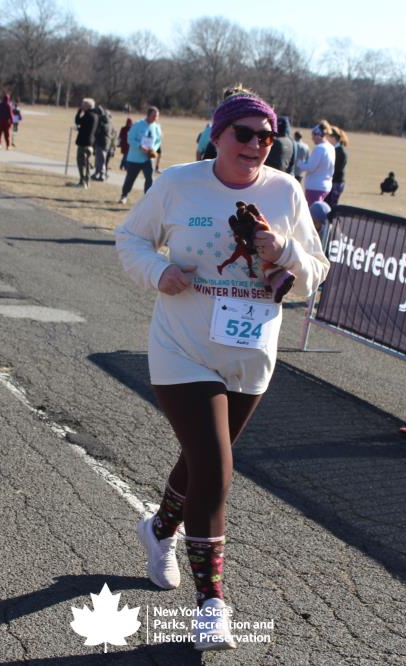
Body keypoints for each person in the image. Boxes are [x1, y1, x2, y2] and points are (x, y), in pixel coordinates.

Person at [115, 90, 329, 651]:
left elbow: (315, 272)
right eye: (245, 134)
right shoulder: (179, 184)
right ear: (218, 135)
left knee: (201, 460)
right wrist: (157, 272)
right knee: (214, 465)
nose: (257, 145)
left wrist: (285, 252)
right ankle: (211, 605)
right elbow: (131, 237)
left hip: (250, 355)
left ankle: (158, 530)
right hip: (182, 348)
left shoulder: (285, 191)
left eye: (267, 137)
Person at [118, 106, 162, 204]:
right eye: (154, 116)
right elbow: (130, 139)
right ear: (148, 115)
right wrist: (140, 146)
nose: (156, 118)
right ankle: (124, 195)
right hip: (135, 158)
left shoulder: (156, 127)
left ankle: (148, 199)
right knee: (130, 178)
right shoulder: (138, 125)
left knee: (149, 178)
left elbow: (158, 141)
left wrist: (153, 149)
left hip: (148, 159)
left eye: (157, 116)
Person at [296, 123, 335, 208]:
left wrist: (299, 163)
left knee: (312, 212)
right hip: (325, 186)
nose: (312, 138)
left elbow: (310, 167)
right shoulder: (331, 147)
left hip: (315, 187)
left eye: (313, 135)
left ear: (319, 135)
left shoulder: (319, 148)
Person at [73, 98, 98, 188]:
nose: (82, 106)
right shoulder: (95, 115)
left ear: (88, 106)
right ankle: (86, 181)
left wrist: (79, 112)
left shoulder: (88, 115)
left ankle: (82, 182)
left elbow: (77, 121)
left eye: (83, 105)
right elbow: (87, 128)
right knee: (86, 163)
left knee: (81, 162)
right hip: (90, 143)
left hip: (84, 143)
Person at [325, 126, 349, 205]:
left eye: (328, 137)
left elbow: (337, 169)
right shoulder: (334, 149)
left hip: (336, 183)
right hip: (332, 182)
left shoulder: (341, 151)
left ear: (333, 138)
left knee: (331, 206)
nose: (326, 139)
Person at [92, 104, 112, 180]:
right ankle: (97, 173)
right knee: (98, 159)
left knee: (101, 159)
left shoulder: (105, 122)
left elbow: (98, 131)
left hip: (102, 142)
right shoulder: (105, 121)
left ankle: (102, 175)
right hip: (102, 142)